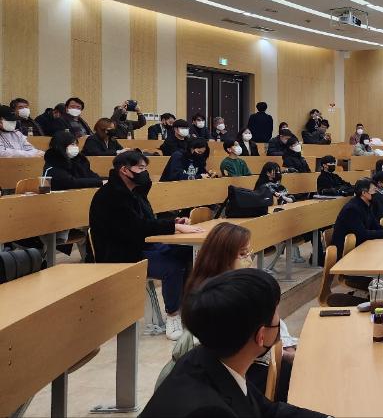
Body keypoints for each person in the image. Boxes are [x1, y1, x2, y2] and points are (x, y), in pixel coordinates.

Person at [140, 269, 327, 417]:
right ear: (261, 335)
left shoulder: (208, 358)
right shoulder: (209, 411)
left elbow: (266, 410)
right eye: (276, 312)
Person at [156, 224, 299, 402]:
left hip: (234, 367)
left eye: (249, 252)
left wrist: (286, 347)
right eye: (242, 254)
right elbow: (235, 350)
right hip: (225, 372)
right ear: (222, 258)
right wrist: (282, 354)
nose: (249, 260)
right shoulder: (213, 298)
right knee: (287, 375)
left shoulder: (239, 285)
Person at [89, 150, 204, 340]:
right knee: (172, 267)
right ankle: (173, 315)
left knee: (186, 251)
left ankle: (188, 307)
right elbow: (136, 228)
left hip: (141, 245)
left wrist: (174, 222)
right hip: (121, 254)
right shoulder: (111, 196)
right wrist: (173, 227)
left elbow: (148, 220)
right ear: (124, 170)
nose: (145, 173)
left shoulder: (134, 192)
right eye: (141, 168)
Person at [331, 178, 383, 258]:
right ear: (364, 193)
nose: (376, 193)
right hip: (345, 253)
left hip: (358, 246)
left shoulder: (367, 204)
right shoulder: (352, 209)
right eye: (374, 190)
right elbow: (362, 234)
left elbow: (374, 225)